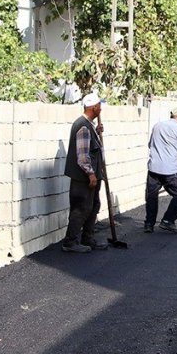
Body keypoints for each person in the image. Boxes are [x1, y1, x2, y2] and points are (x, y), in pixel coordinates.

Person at [61, 92, 109, 253]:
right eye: (99, 106)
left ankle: (87, 239)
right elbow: (82, 156)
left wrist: (97, 130)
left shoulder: (89, 126)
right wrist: (91, 174)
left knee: (93, 206)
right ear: (94, 107)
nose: (101, 109)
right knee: (80, 209)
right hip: (84, 178)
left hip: (91, 177)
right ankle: (70, 242)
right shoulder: (83, 127)